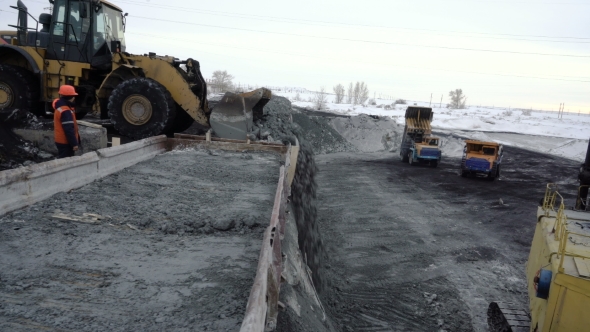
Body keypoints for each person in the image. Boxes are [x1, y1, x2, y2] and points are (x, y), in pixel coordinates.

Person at [53, 85, 80, 158]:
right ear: (72, 97)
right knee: (66, 163)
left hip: (60, 140)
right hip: (65, 142)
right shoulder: (66, 111)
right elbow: (68, 129)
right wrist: (74, 143)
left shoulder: (60, 106)